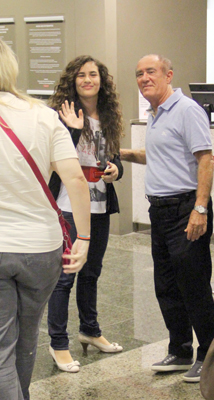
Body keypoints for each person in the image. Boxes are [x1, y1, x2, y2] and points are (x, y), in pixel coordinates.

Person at [0, 40, 91, 400]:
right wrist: (83, 237)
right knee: (25, 340)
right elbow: (76, 179)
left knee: (2, 348)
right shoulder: (42, 115)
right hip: (42, 248)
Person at [120, 54, 214, 383]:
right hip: (159, 212)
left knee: (194, 286)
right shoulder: (155, 113)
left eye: (150, 71)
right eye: (139, 73)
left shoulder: (187, 109)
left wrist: (200, 208)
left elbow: (205, 158)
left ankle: (208, 354)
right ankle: (180, 349)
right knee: (166, 286)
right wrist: (122, 154)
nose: (144, 77)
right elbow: (160, 156)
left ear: (168, 74)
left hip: (186, 210)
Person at [47, 55, 124, 373]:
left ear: (101, 80)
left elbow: (115, 158)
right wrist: (75, 131)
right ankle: (58, 343)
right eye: (81, 75)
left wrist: (115, 170)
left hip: (100, 206)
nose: (88, 80)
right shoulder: (61, 116)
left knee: (92, 273)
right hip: (68, 207)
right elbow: (56, 158)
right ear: (73, 80)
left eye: (93, 74)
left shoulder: (107, 116)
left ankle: (90, 331)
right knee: (64, 278)